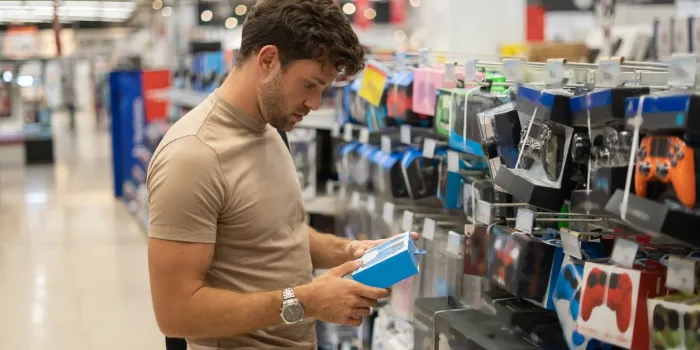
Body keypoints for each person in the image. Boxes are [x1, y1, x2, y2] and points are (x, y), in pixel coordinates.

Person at [146, 1, 417, 349]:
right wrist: (307, 301)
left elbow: (276, 233)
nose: (315, 103)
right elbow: (175, 313)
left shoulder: (271, 128)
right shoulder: (193, 155)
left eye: (323, 89)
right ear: (268, 60)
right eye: (309, 85)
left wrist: (350, 252)